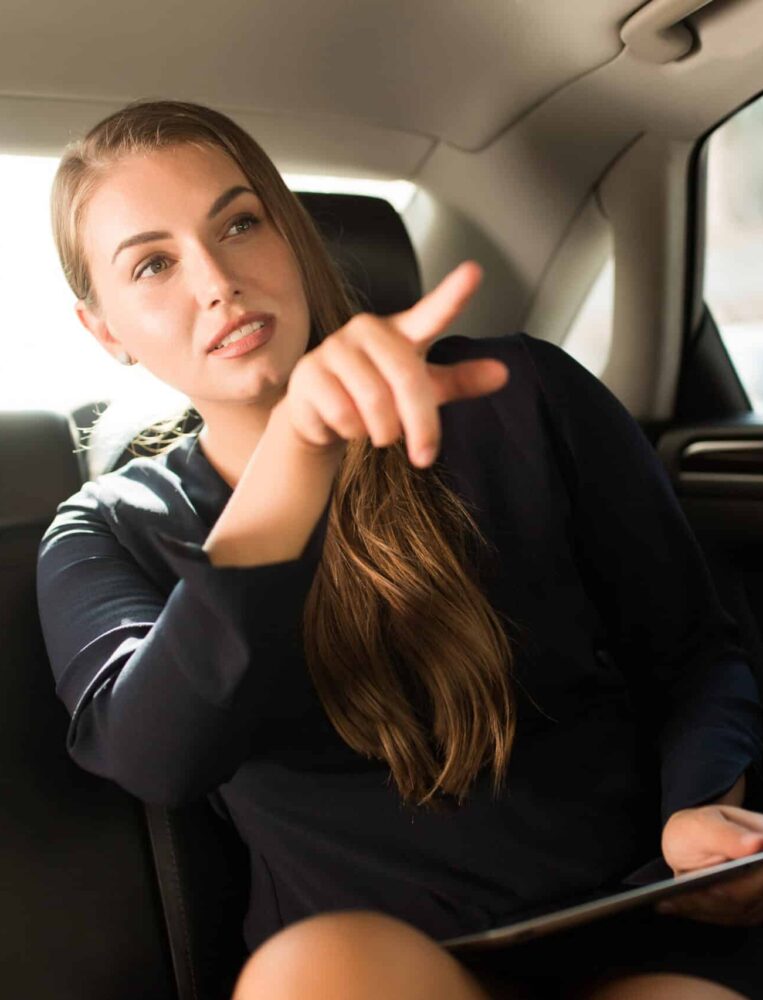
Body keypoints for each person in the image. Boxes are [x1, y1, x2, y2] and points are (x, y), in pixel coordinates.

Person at [37, 98, 763, 1000]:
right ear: (104, 330)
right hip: (373, 970)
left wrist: (700, 808)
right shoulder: (107, 528)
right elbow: (158, 754)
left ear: (292, 235)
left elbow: (694, 649)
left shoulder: (514, 393)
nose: (216, 280)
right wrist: (297, 449)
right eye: (152, 263)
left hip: (636, 920)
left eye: (239, 222)